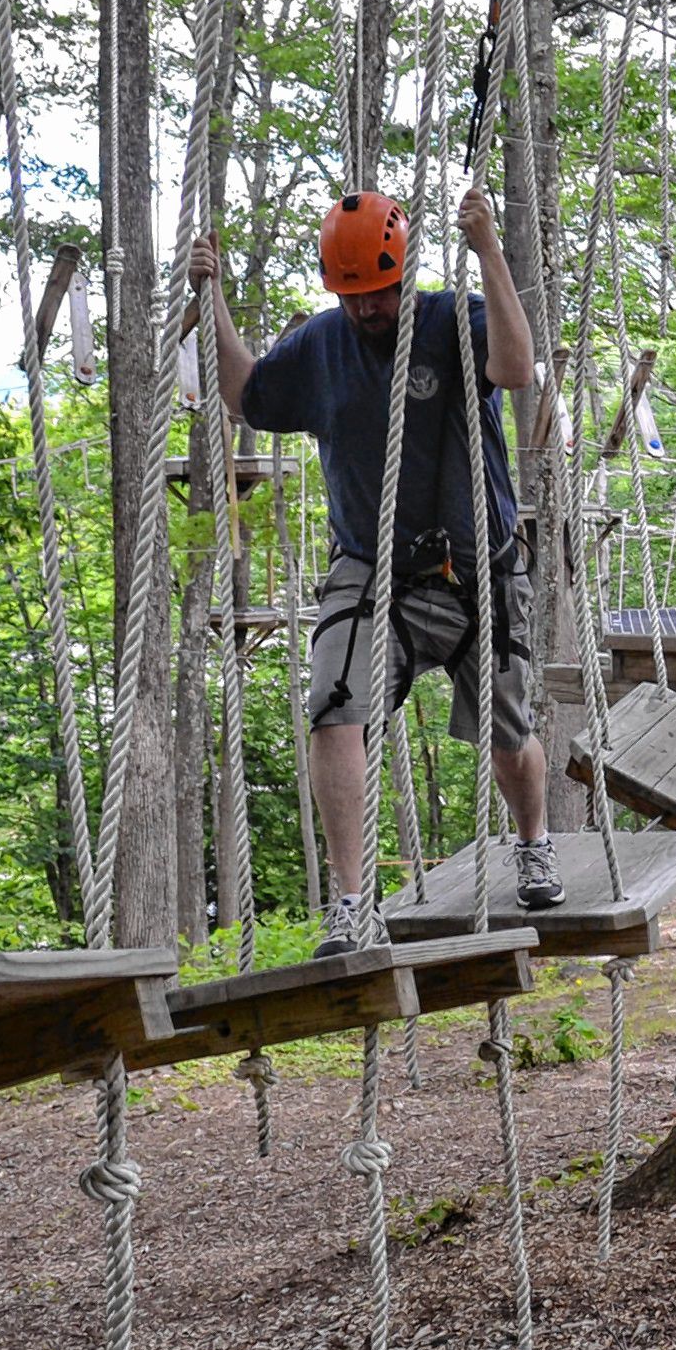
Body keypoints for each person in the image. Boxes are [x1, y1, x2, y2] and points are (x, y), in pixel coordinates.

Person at [195, 185, 558, 954]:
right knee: (334, 708)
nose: (366, 310)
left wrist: (489, 248)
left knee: (510, 735)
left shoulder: (450, 320)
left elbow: (518, 369)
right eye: (351, 294)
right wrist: (213, 299)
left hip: (476, 570)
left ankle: (533, 842)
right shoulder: (324, 345)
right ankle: (353, 903)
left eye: (379, 293)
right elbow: (246, 396)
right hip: (372, 570)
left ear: (405, 274)